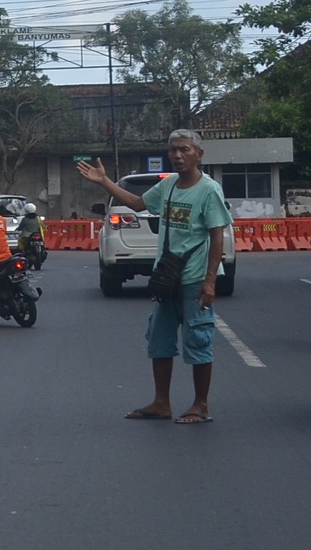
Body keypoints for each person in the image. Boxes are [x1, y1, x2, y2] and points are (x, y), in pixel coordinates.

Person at [77, 129, 232, 425]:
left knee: (198, 339)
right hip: (167, 277)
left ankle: (201, 405)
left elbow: (217, 236)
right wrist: (104, 182)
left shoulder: (209, 190)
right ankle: (162, 403)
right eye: (172, 150)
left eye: (184, 149)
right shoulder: (170, 185)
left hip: (195, 277)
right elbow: (137, 204)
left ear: (199, 154)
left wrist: (210, 280)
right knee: (159, 340)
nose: (177, 155)